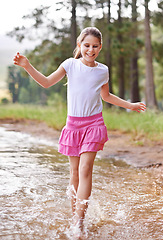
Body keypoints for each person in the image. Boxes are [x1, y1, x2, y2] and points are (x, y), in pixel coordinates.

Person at [13, 27, 146, 238]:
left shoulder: (103, 70)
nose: (90, 50)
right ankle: (75, 213)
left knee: (85, 170)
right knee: (74, 173)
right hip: (73, 127)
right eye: (86, 46)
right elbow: (47, 82)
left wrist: (130, 105)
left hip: (94, 125)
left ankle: (78, 223)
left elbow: (106, 96)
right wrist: (27, 66)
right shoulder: (70, 65)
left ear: (100, 47)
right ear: (79, 45)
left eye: (95, 46)